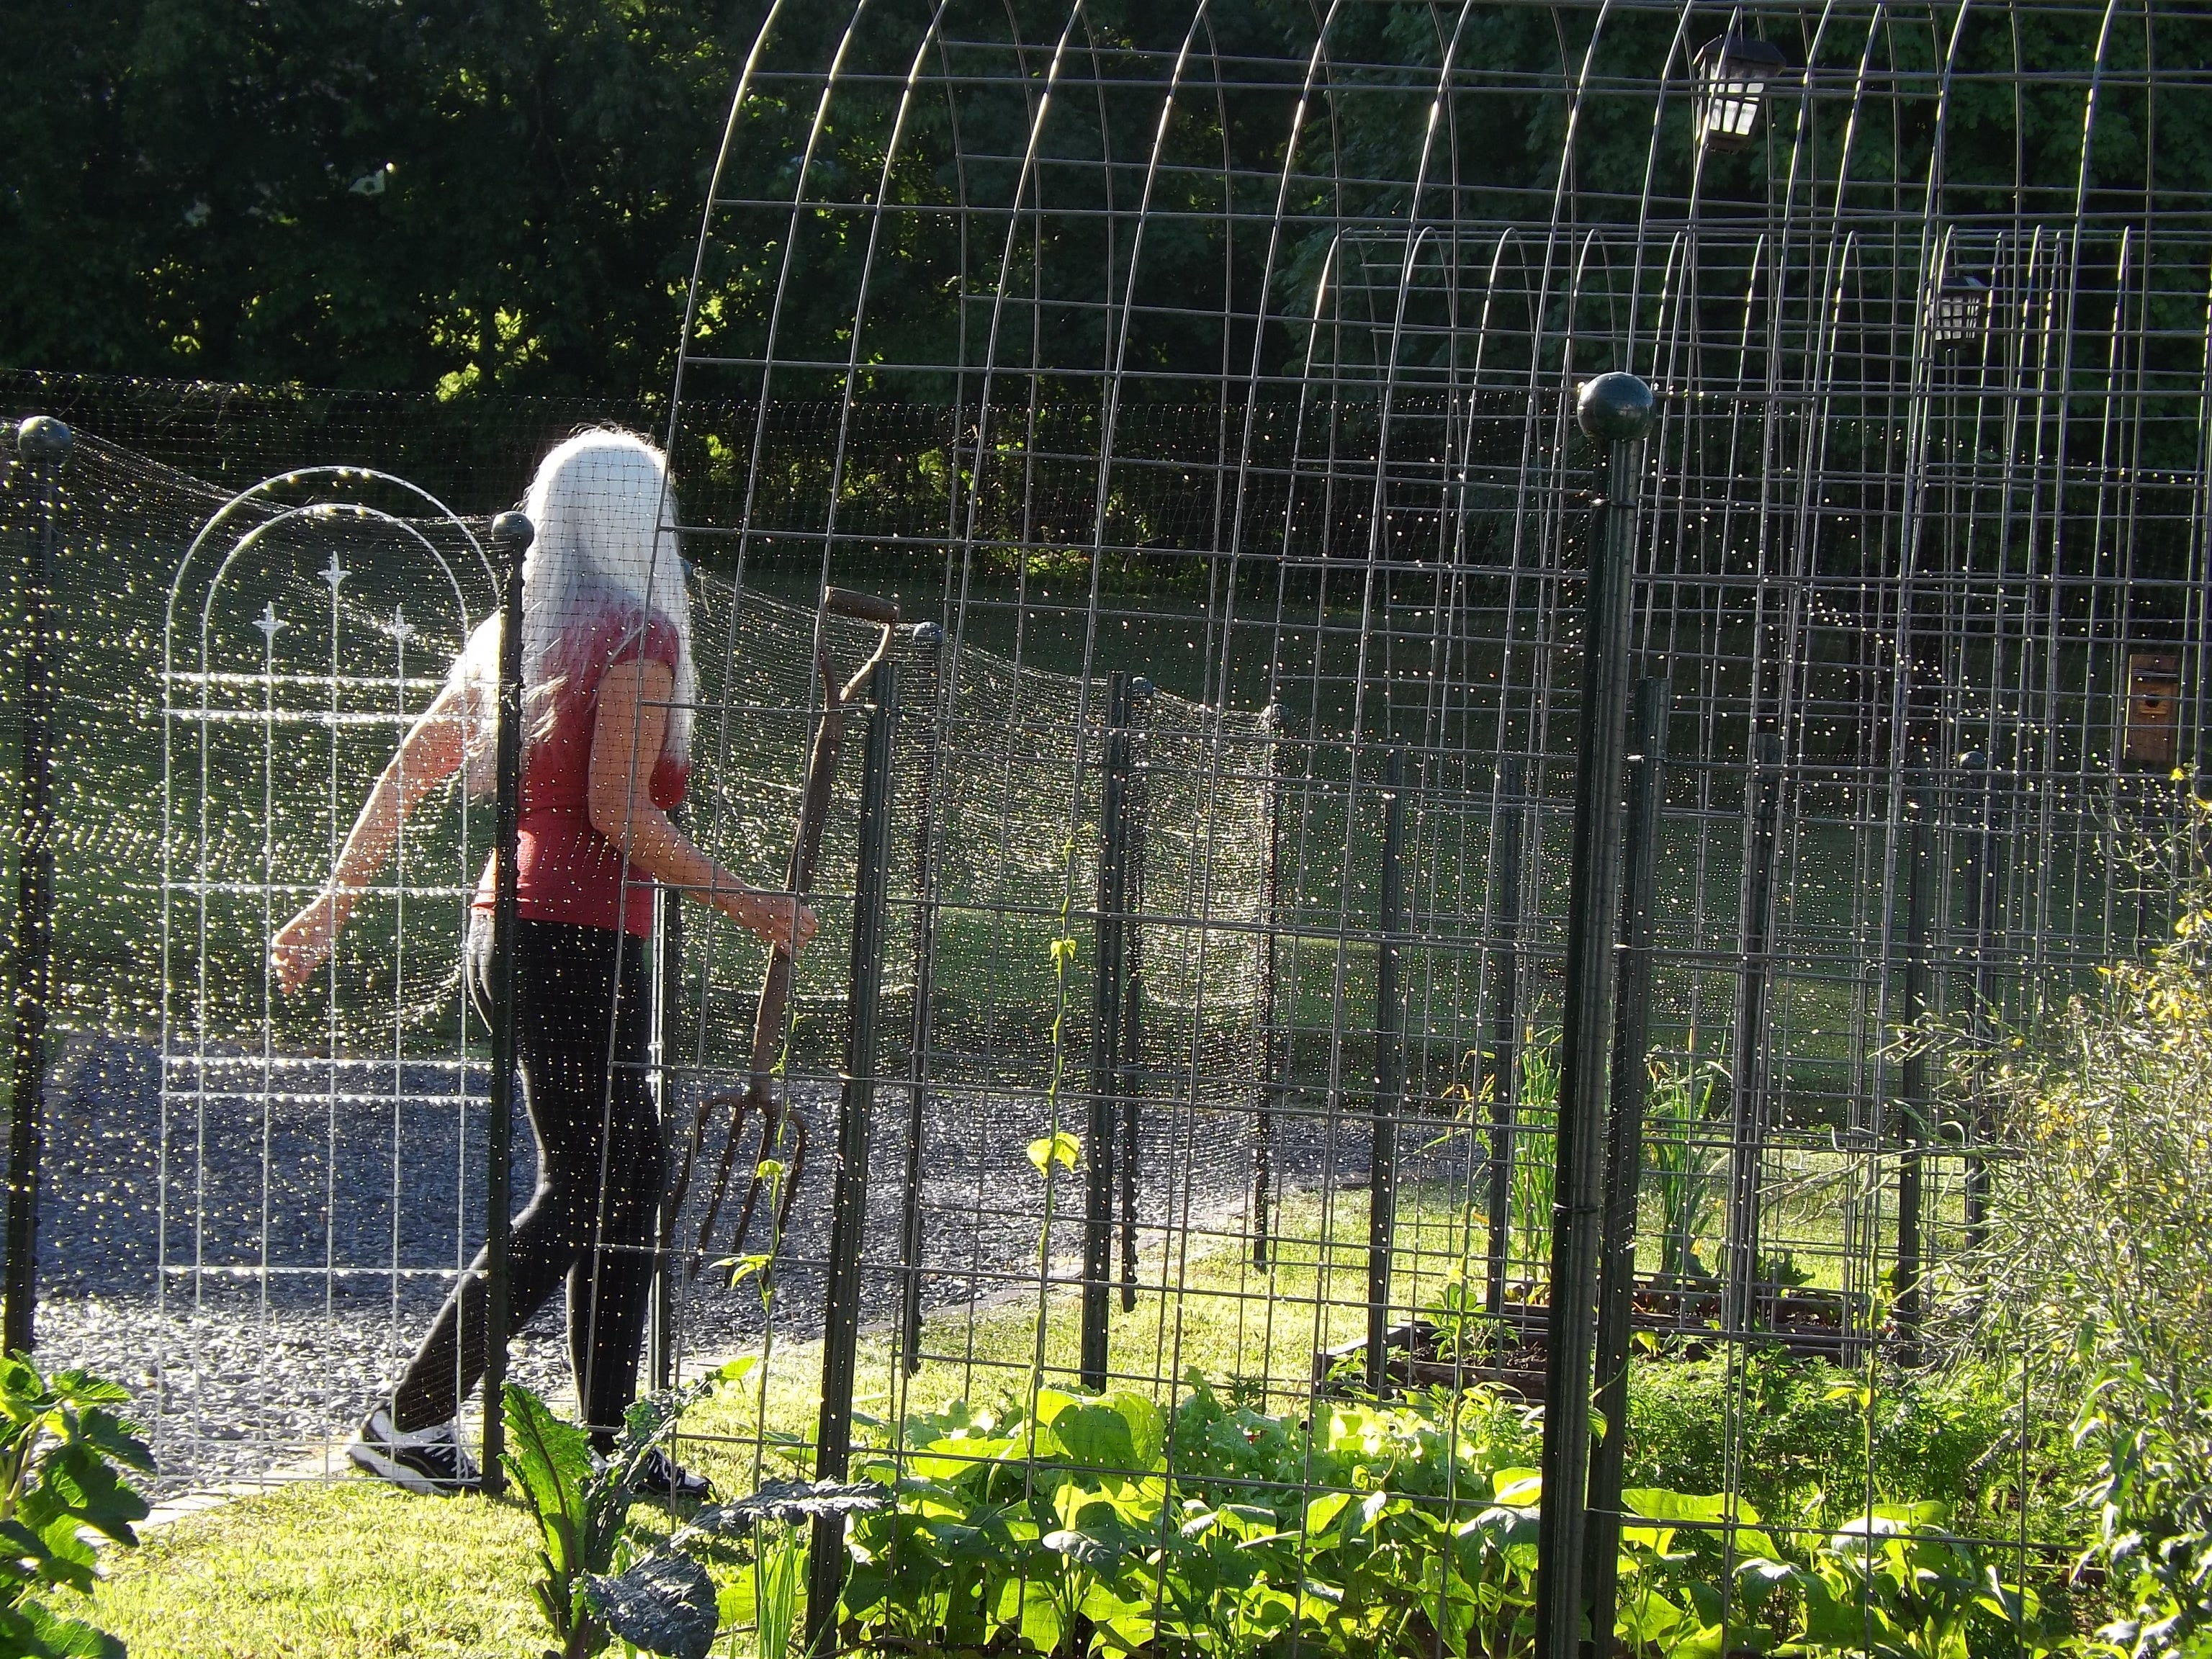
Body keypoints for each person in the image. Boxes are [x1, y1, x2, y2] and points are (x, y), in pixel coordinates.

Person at [273, 429, 817, 1496]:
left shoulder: (520, 633)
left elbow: (411, 767)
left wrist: (331, 903)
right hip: (574, 941)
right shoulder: (640, 637)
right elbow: (617, 812)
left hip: (509, 933)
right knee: (604, 1187)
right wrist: (753, 905)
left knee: (618, 1183)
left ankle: (611, 1451)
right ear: (638, 523)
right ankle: (414, 1422)